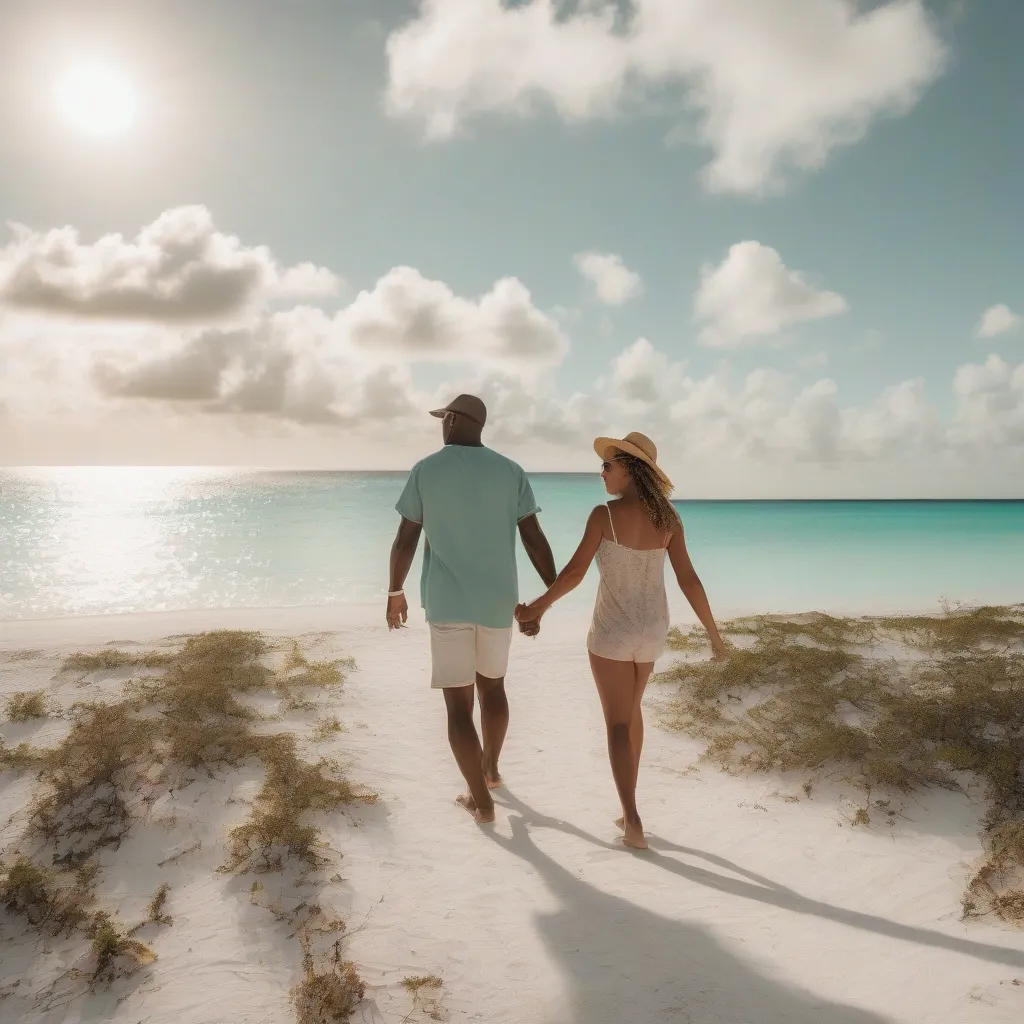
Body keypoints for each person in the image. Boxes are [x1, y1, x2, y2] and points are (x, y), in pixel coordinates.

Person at [515, 431, 728, 849]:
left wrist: (536, 608)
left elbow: (574, 575)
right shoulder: (669, 519)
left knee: (616, 721)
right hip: (652, 631)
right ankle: (628, 807)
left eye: (608, 465)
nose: (602, 472)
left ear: (630, 469)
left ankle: (632, 819)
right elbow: (688, 578)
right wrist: (715, 637)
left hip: (613, 632)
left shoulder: (604, 515)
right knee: (632, 712)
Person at [387, 394, 557, 824]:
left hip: (448, 603)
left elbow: (406, 538)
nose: (441, 424)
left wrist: (394, 591)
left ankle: (481, 802)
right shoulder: (510, 471)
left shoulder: (426, 470)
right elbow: (533, 537)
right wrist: (548, 595)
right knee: (493, 688)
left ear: (456, 420)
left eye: (443, 416)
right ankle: (491, 769)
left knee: (458, 706)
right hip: (498, 600)